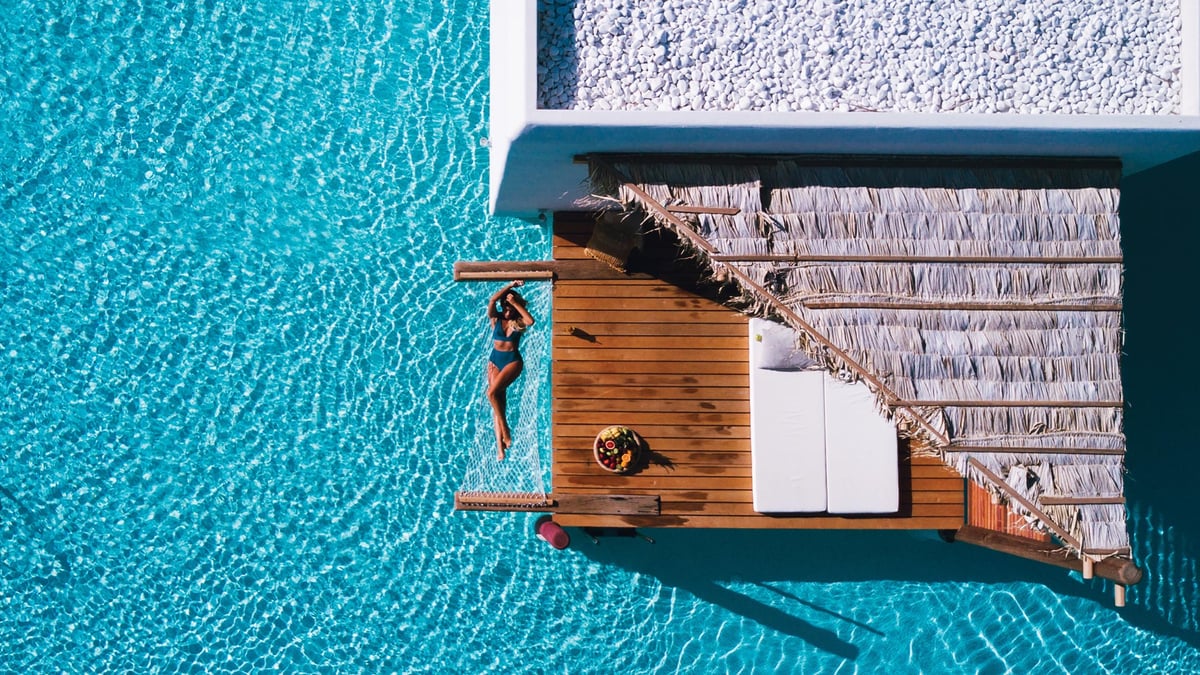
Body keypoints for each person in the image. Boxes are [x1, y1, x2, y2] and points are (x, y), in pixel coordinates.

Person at [486, 280, 534, 459]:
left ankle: (506, 431)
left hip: (512, 362)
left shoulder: (519, 322)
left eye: (510, 306)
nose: (507, 309)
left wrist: (515, 302)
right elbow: (492, 300)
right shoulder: (495, 318)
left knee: (491, 394)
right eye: (505, 305)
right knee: (498, 404)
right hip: (495, 361)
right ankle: (500, 447)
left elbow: (530, 321)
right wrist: (510, 285)